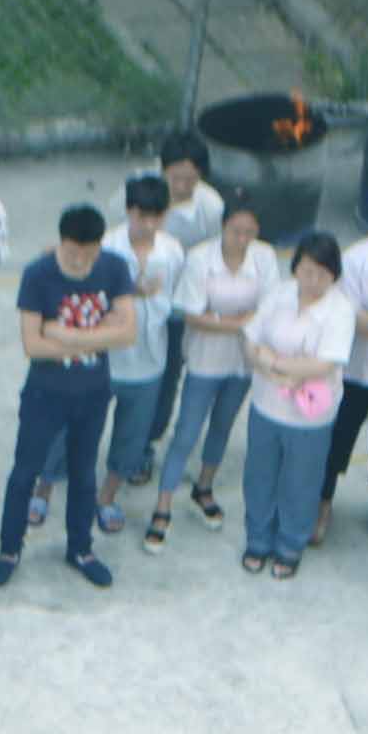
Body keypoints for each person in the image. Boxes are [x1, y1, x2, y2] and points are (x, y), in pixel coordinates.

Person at [0, 204, 136, 590]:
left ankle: (81, 548)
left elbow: (127, 332)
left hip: (93, 392)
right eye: (73, 253)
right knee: (25, 473)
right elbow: (32, 346)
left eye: (89, 254)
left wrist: (66, 336)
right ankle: (8, 549)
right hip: (45, 394)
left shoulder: (114, 268)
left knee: (85, 474)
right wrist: (99, 332)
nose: (81, 261)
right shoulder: (38, 274)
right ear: (60, 242)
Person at [145, 191, 272, 553]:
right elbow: (191, 313)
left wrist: (219, 319)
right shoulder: (201, 258)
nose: (243, 239)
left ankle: (204, 487)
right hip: (203, 360)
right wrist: (241, 321)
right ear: (224, 227)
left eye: (250, 232)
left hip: (243, 362)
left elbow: (269, 311)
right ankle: (163, 504)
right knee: (186, 431)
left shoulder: (264, 258)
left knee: (222, 426)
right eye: (236, 230)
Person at [237, 231, 351, 585]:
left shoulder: (340, 309)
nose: (312, 279)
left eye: (322, 272)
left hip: (308, 417)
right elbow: (250, 341)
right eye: (306, 270)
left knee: (300, 481)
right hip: (266, 404)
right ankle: (257, 539)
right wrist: (276, 366)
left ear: (334, 274)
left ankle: (289, 545)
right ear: (295, 267)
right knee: (260, 474)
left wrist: (273, 362)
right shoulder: (280, 294)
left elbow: (324, 365)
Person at [90, 178, 182, 543]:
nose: (147, 225)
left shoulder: (172, 251)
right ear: (129, 211)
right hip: (105, 357)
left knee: (131, 437)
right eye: (141, 216)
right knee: (80, 427)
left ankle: (107, 496)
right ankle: (50, 485)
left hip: (149, 360)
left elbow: (173, 303)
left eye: (155, 218)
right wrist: (132, 291)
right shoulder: (106, 246)